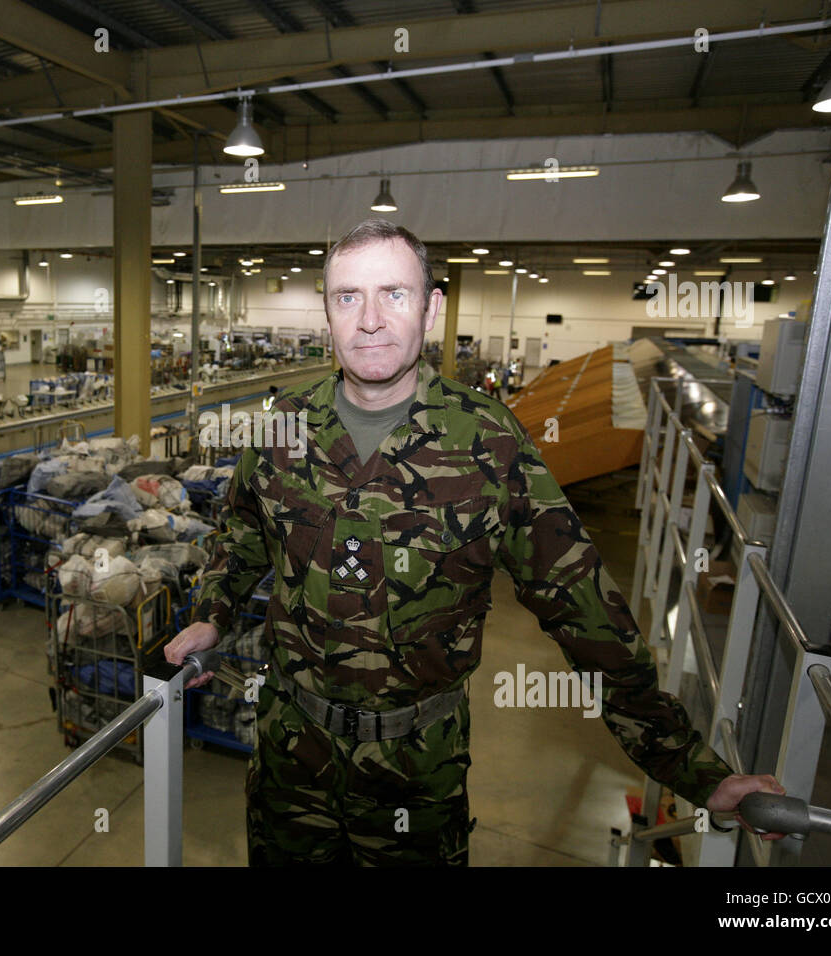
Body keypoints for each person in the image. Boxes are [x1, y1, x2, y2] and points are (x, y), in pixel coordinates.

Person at [164, 218, 783, 866]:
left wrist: (696, 771)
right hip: (290, 757)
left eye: (394, 294)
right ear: (327, 311)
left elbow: (585, 611)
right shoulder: (282, 429)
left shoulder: (489, 441)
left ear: (431, 308)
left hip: (417, 772)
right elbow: (240, 534)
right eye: (348, 297)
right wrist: (212, 613)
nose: (369, 319)